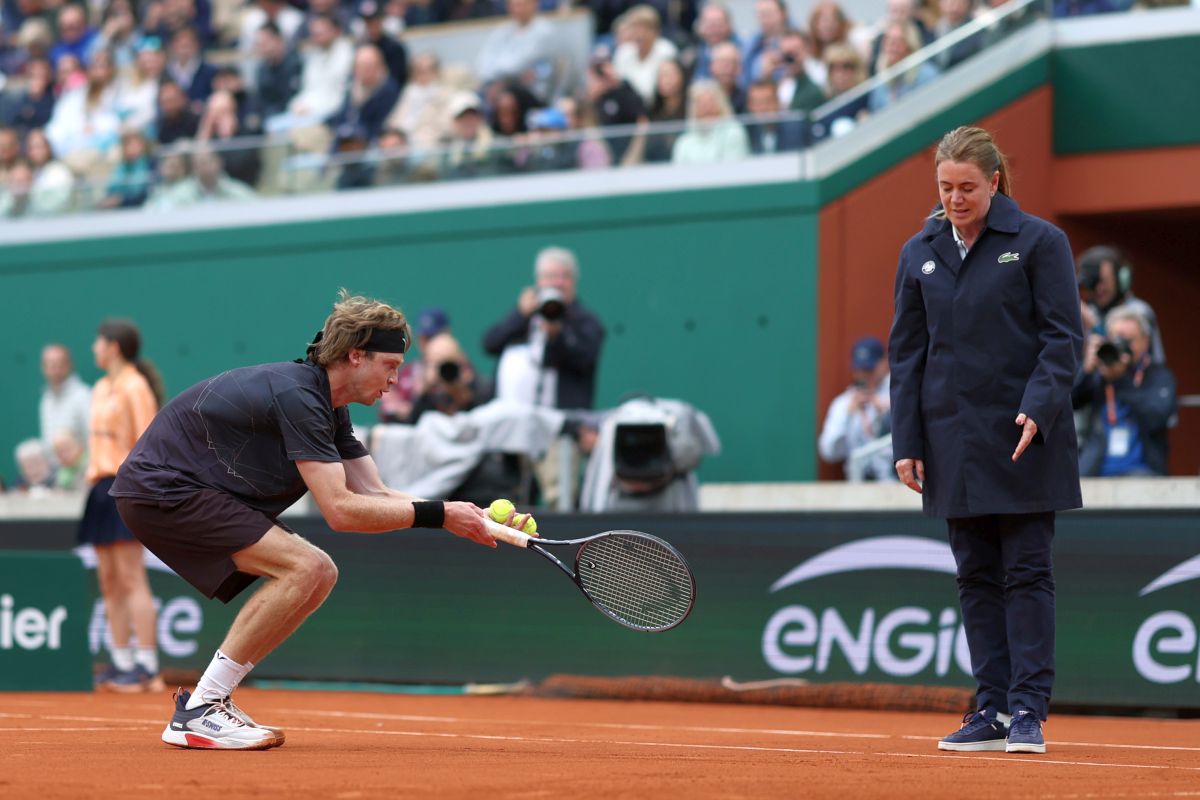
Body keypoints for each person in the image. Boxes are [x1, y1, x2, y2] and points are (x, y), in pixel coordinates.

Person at [111, 291, 527, 750]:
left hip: (184, 489)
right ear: (355, 356)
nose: (395, 379)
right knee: (305, 566)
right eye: (389, 365)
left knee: (319, 571)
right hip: (162, 489)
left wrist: (475, 516)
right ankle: (201, 707)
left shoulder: (329, 406)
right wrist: (441, 516)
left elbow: (376, 493)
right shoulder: (300, 396)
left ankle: (207, 703)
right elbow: (342, 510)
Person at [889, 126, 1082, 756]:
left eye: (966, 187)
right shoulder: (917, 251)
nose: (954, 198)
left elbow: (1062, 340)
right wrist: (907, 439)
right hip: (951, 441)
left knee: (1026, 571)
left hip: (1026, 436)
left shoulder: (1039, 242)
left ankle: (1028, 708)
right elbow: (907, 356)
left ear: (994, 182)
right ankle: (991, 708)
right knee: (974, 574)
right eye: (945, 187)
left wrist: (1038, 408)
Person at [483, 246, 605, 506]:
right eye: (550, 277)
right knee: (512, 497)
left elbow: (583, 358)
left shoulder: (585, 321)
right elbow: (490, 343)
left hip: (557, 428)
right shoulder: (525, 318)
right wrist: (520, 314)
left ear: (573, 282)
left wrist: (556, 333)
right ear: (538, 281)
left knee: (558, 496)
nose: (556, 283)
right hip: (514, 426)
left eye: (563, 276)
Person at [82, 319, 165, 693]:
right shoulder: (100, 387)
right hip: (99, 486)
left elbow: (148, 443)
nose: (94, 349)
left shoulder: (135, 386)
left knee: (132, 577)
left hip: (126, 485)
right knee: (109, 580)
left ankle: (146, 665)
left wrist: (139, 490)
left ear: (113, 346)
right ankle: (121, 661)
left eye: (98, 342)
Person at [1072, 306, 1176, 477]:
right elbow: (1066, 404)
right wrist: (1086, 370)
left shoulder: (1158, 375)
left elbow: (1157, 416)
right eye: (1116, 339)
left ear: (1145, 341)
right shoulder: (1101, 373)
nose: (1121, 346)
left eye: (1128, 340)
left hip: (1144, 473)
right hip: (1095, 471)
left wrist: (1121, 379)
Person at [818, 336, 893, 480]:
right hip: (859, 483)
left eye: (870, 369)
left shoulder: (898, 395)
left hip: (898, 480)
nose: (865, 375)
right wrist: (848, 416)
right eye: (860, 369)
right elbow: (829, 452)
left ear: (884, 363)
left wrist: (888, 411)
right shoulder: (843, 403)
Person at [1076, 245, 1165, 364]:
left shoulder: (1139, 310)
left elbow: (1122, 357)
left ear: (1121, 278)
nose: (1099, 289)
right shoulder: (1089, 311)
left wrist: (1094, 325)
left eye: (1103, 281)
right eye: (1093, 283)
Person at [671, 79, 749, 164]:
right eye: (701, 104)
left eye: (710, 102)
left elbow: (734, 167)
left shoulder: (733, 131)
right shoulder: (684, 141)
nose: (706, 109)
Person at [39, 344, 92, 457]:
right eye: (51, 363)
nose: (56, 368)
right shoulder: (46, 398)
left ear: (69, 365)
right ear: (43, 367)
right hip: (56, 472)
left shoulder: (83, 395)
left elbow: (92, 437)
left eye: (60, 363)